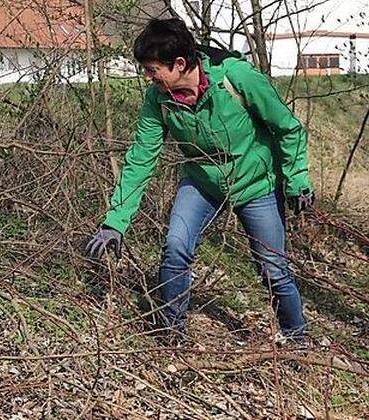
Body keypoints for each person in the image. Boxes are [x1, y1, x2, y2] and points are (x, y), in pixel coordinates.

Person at [85, 18, 312, 343]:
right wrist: (115, 222)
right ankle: (170, 334)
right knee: (175, 247)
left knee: (273, 271)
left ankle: (298, 339)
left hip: (256, 183)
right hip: (202, 181)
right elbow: (141, 158)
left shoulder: (237, 78)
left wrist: (296, 180)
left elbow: (287, 127)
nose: (148, 78)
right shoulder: (158, 99)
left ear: (179, 64)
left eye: (152, 70)